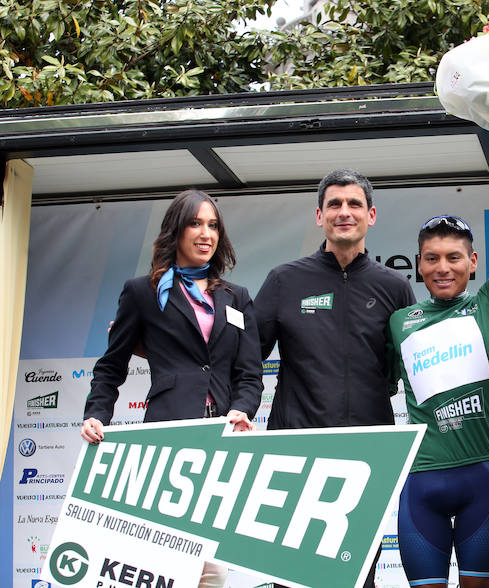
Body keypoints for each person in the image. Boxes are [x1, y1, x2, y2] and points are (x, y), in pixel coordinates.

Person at [82, 189, 263, 588]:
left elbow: (250, 373)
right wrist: (96, 414)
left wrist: (242, 409)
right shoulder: (142, 292)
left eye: (213, 225)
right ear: (175, 231)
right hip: (168, 436)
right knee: (168, 559)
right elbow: (111, 366)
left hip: (226, 440)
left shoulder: (237, 297)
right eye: (195, 223)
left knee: (213, 563)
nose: (206, 234)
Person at [387, 112, 489, 588]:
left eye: (454, 257)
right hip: (420, 484)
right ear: (419, 266)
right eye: (432, 258)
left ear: (473, 262)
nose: (443, 267)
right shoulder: (399, 321)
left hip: (484, 480)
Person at [253, 168, 415, 588]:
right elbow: (243, 356)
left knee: (359, 576)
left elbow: (414, 368)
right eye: (335, 205)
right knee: (291, 577)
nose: (345, 212)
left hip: (368, 459)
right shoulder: (284, 280)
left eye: (354, 204)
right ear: (319, 216)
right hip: (294, 455)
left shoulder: (395, 286)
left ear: (371, 215)